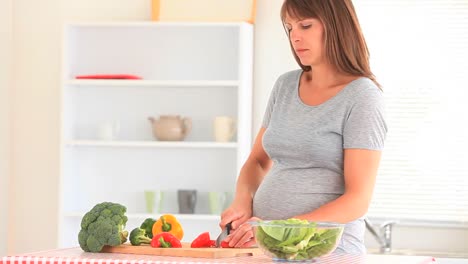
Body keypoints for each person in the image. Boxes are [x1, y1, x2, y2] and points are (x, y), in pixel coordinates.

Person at [219, 0, 387, 254]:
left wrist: (281, 229)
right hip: (268, 247)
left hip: (326, 250)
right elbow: (257, 161)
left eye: (305, 25)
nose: (295, 37)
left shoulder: (362, 96)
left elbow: (357, 200)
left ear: (336, 26)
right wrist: (243, 202)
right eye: (289, 28)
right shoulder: (285, 85)